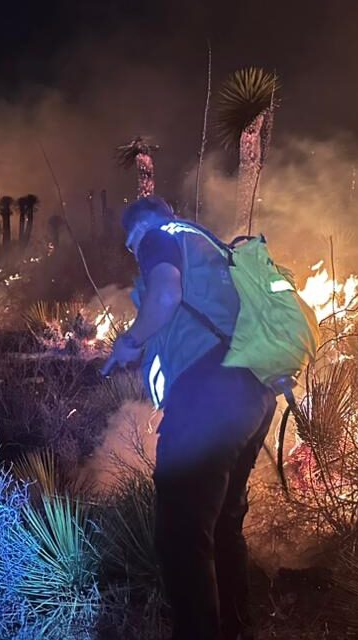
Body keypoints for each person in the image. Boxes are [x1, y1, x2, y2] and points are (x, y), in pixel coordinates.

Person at [102, 196, 277, 640]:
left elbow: (164, 294)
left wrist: (132, 341)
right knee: (220, 525)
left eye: (129, 244)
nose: (132, 252)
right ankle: (237, 630)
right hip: (254, 392)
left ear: (139, 230)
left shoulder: (158, 237)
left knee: (181, 536)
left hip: (210, 394)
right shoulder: (211, 248)